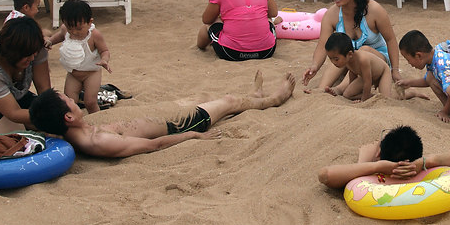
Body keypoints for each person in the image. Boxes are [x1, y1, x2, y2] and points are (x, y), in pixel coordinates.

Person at [28, 71, 296, 158]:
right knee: (226, 102)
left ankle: (254, 98)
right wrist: (194, 136)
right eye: (69, 102)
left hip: (168, 115)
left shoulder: (81, 129)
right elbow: (151, 145)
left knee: (206, 97)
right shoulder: (98, 142)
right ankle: (275, 99)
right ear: (68, 118)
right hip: (182, 125)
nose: (74, 101)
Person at [302, 0, 401, 91]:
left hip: (377, 61)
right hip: (351, 63)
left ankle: (339, 89)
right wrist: (314, 66)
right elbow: (323, 45)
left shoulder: (374, 10)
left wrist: (395, 70)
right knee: (340, 51)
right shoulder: (331, 14)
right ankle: (321, 89)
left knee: (361, 51)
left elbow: (391, 40)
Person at [318, 125, 450, 189]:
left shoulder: (374, 176)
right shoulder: (422, 173)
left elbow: (325, 175)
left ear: (379, 155)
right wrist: (426, 162)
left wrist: (373, 165)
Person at [47, 0, 112, 114]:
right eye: (70, 28)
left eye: (79, 28)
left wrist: (104, 60)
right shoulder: (65, 30)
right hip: (73, 74)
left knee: (90, 102)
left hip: (91, 73)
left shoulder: (94, 35)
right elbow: (60, 36)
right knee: (69, 101)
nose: (74, 32)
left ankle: (98, 119)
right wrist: (50, 41)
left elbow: (104, 50)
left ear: (89, 22)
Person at [322, 32, 427, 102]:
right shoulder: (347, 60)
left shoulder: (362, 59)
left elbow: (368, 82)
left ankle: (411, 93)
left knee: (386, 98)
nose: (334, 62)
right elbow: (353, 73)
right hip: (367, 76)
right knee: (347, 94)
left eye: (336, 59)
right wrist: (353, 89)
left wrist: (364, 101)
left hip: (382, 73)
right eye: (330, 59)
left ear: (349, 54)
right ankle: (374, 96)